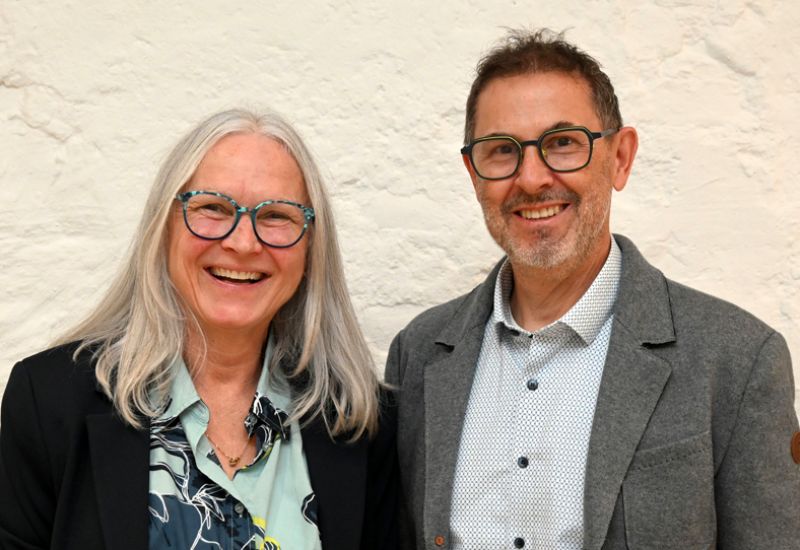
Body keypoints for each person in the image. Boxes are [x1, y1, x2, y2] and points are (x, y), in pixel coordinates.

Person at [386, 29, 800, 550]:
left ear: (620, 158)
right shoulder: (418, 355)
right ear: (474, 174)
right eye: (502, 151)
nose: (531, 179)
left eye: (563, 143)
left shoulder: (736, 360)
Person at [0, 108, 397, 550]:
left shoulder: (359, 423)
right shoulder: (49, 400)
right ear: (164, 226)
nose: (243, 243)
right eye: (212, 207)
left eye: (276, 216)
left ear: (310, 246)